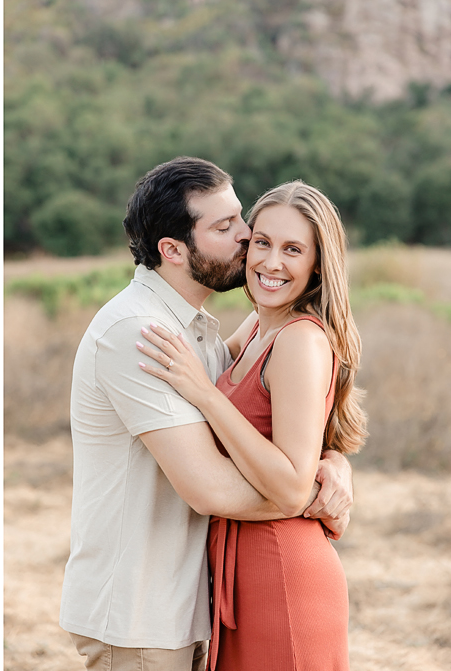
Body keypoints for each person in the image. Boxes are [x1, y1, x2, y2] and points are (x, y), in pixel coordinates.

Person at [60, 157, 353, 671]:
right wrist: (310, 494)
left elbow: (279, 420)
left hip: (198, 599)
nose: (246, 237)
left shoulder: (203, 332)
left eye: (243, 220)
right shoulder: (141, 334)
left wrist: (331, 463)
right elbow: (212, 488)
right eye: (228, 228)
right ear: (172, 250)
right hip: (141, 611)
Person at [137, 180, 366, 670]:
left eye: (293, 249)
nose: (271, 262)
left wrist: (202, 392)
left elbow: (288, 485)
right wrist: (335, 460)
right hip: (238, 575)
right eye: (262, 242)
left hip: (281, 572)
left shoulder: (300, 340)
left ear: (318, 264)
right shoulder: (263, 324)